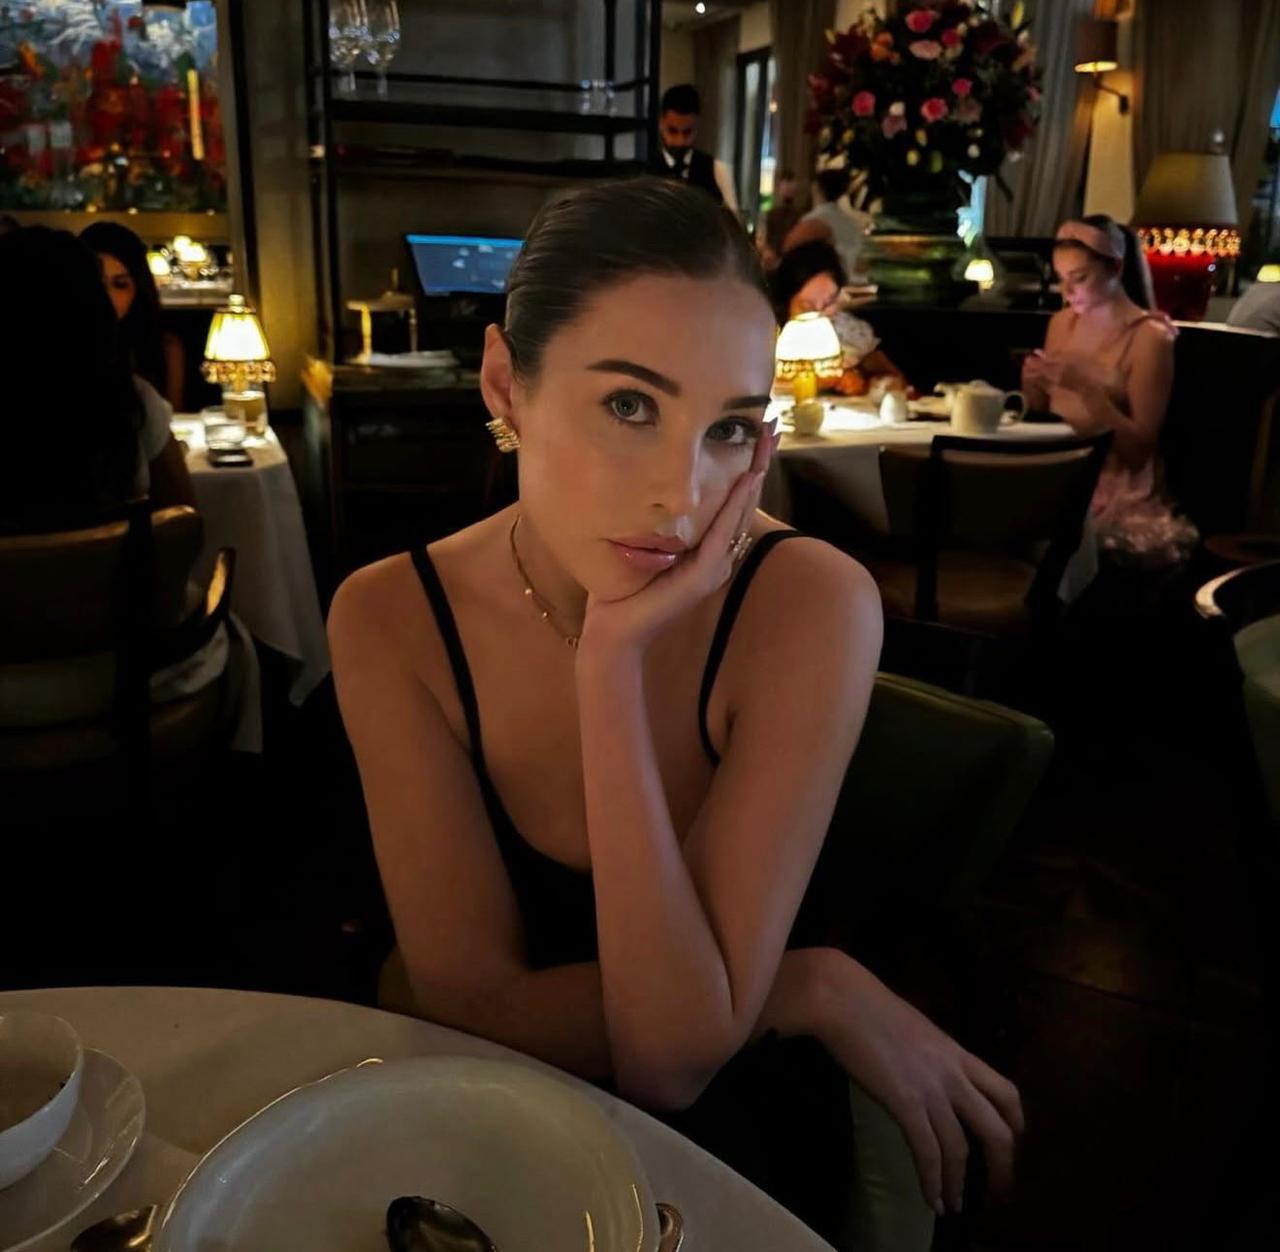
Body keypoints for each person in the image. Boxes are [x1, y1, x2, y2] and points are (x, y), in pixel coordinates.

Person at [328, 178, 1022, 1245]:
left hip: (734, 1133)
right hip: (481, 1118)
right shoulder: (392, 617)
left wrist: (610, 669)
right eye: (629, 405)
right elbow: (468, 1007)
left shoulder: (811, 604)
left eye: (729, 428)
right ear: (506, 382)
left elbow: (674, 1062)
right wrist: (800, 987)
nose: (682, 494)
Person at [1023, 215, 1195, 564]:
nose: (1067, 292)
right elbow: (1042, 413)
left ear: (1115, 268)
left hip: (1112, 485)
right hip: (1056, 468)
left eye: (1079, 278)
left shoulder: (1149, 337)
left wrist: (1085, 389)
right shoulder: (1060, 323)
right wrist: (1031, 383)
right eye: (1060, 279)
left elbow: (1139, 451)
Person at [0, 227, 192, 523]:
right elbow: (183, 524)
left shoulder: (141, 389)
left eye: (120, 284)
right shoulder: (133, 399)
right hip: (118, 554)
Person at [770, 240, 905, 391]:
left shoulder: (850, 333)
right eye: (807, 306)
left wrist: (874, 380)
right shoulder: (767, 339)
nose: (820, 314)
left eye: (829, 302)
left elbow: (891, 377)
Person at [81, 220, 186, 410]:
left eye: (120, 284)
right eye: (99, 284)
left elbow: (172, 420)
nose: (108, 297)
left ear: (138, 288)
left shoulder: (165, 349)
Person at [648, 83, 738, 211]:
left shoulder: (718, 170)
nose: (680, 141)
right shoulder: (645, 172)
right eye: (672, 131)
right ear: (661, 124)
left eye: (687, 132)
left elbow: (732, 220)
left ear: (697, 126)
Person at [783, 166, 874, 280]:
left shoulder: (813, 221)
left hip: (827, 282)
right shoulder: (851, 223)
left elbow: (789, 250)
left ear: (817, 189)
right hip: (856, 282)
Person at [758, 167, 801, 270]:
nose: (788, 189)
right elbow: (761, 238)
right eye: (785, 185)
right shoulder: (769, 213)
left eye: (790, 185)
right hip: (772, 260)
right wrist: (766, 251)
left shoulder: (800, 214)